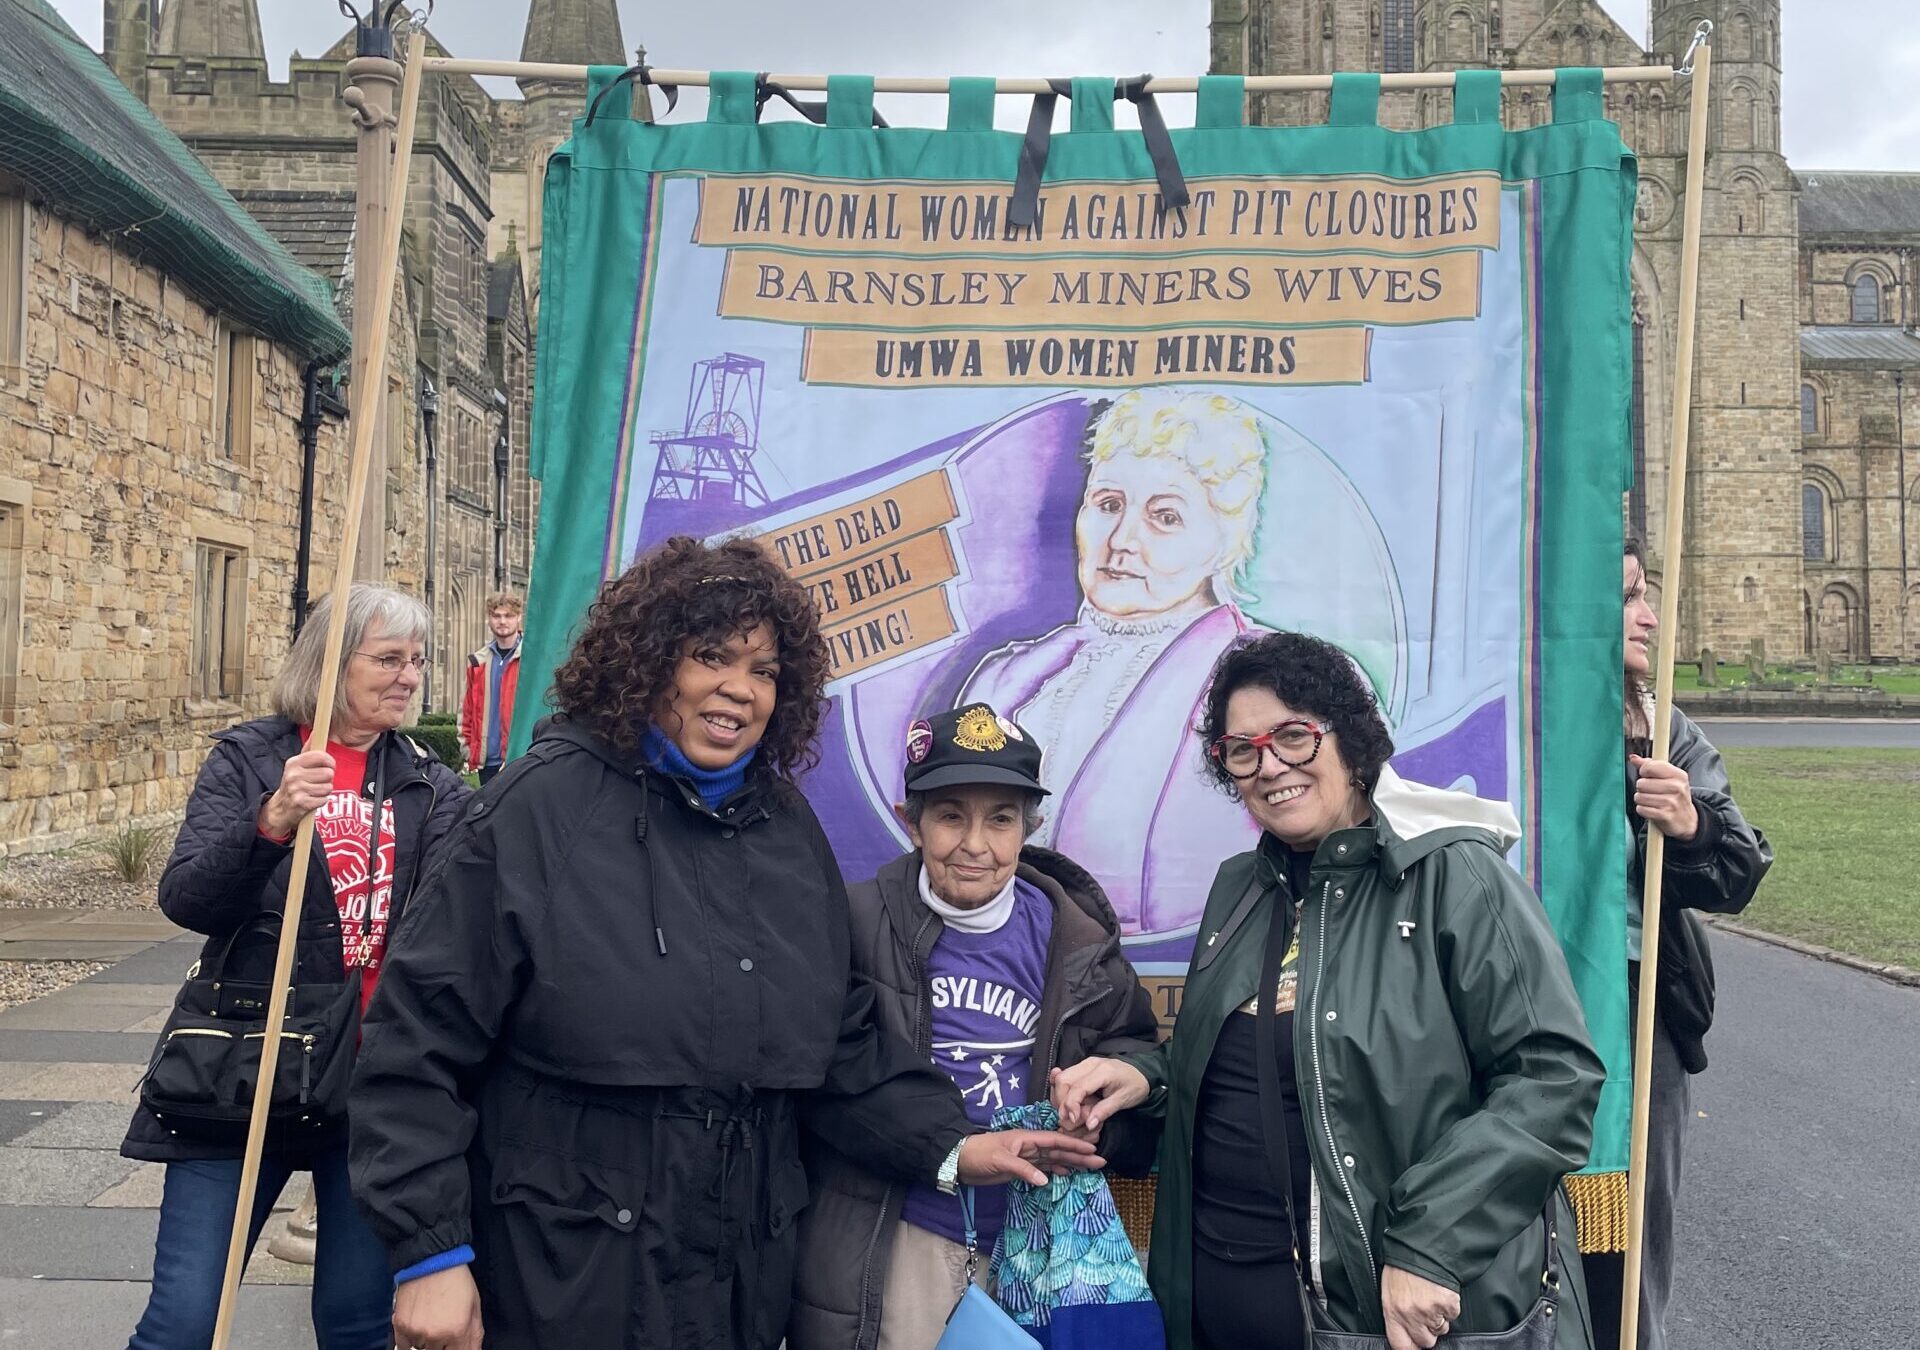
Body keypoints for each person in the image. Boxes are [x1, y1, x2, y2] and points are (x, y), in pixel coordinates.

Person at [347, 536, 1102, 1350]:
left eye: (765, 671)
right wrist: (430, 1255)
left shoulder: (786, 830)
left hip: (736, 1284)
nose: (738, 690)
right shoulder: (539, 810)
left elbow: (840, 1046)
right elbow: (415, 1043)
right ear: (649, 660)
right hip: (563, 1277)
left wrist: (955, 1145)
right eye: (712, 657)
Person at [1053, 631, 1605, 1350]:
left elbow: (1554, 1080)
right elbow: (1251, 1061)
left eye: (1292, 736)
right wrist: (1145, 1077)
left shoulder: (1454, 875)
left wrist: (1430, 1243)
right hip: (1220, 1299)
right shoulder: (1240, 889)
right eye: (1241, 750)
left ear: (1349, 738)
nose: (1269, 764)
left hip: (1377, 1312)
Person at [121, 585, 472, 1350]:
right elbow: (187, 898)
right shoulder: (252, 758)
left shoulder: (428, 782)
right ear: (328, 664)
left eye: (417, 660)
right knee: (184, 1321)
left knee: (355, 1323)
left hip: (371, 1085)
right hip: (247, 1066)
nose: (409, 676)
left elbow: (451, 930)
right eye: (387, 659)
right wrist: (272, 822)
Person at [787, 702, 1161, 1350]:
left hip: (1042, 1250)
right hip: (909, 1239)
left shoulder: (1076, 938)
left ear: (1030, 827)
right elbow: (827, 1078)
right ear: (912, 822)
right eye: (951, 815)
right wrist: (958, 1151)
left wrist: (1125, 1084)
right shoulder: (851, 925)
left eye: (1001, 819)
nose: (975, 845)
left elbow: (1138, 1062)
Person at [1581, 540, 1772, 1350]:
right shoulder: (1520, 718)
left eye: (1647, 594)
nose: (1652, 616)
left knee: (1620, 1232)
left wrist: (1689, 824)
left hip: (1633, 1007)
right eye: (1629, 597)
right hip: (1502, 1003)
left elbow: (1736, 870)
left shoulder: (1663, 726)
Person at [459, 592, 522, 783]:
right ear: (489, 619)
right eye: (497, 616)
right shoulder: (478, 661)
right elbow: (466, 709)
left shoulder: (530, 659)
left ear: (519, 617)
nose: (502, 621)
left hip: (521, 757)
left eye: (508, 616)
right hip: (488, 762)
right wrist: (467, 748)